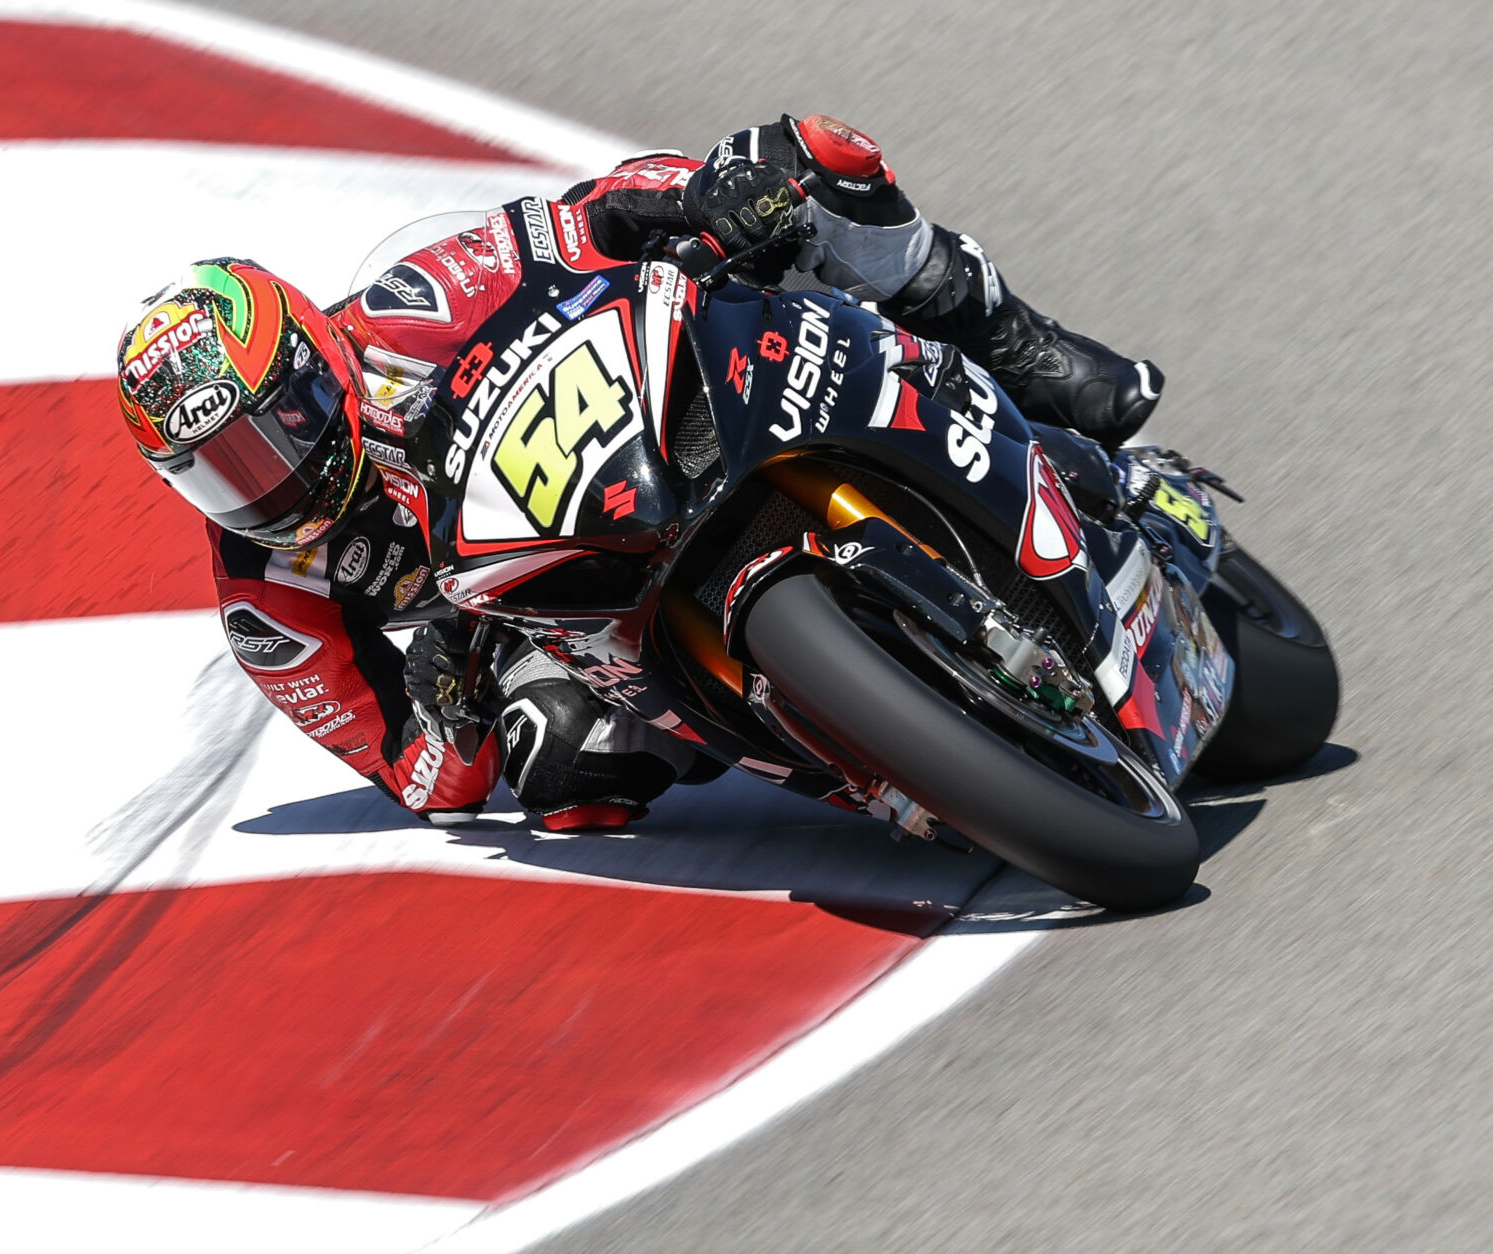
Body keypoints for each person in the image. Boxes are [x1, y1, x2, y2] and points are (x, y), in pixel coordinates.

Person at [114, 113, 1164, 831]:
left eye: (271, 432)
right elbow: (425, 783)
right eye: (219, 473)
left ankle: (1007, 341)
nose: (271, 479)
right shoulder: (270, 606)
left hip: (638, 428)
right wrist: (446, 708)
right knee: (560, 770)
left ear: (315, 359)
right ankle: (880, 748)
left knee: (804, 162)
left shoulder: (404, 315)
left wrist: (698, 197)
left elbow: (578, 220)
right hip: (554, 615)